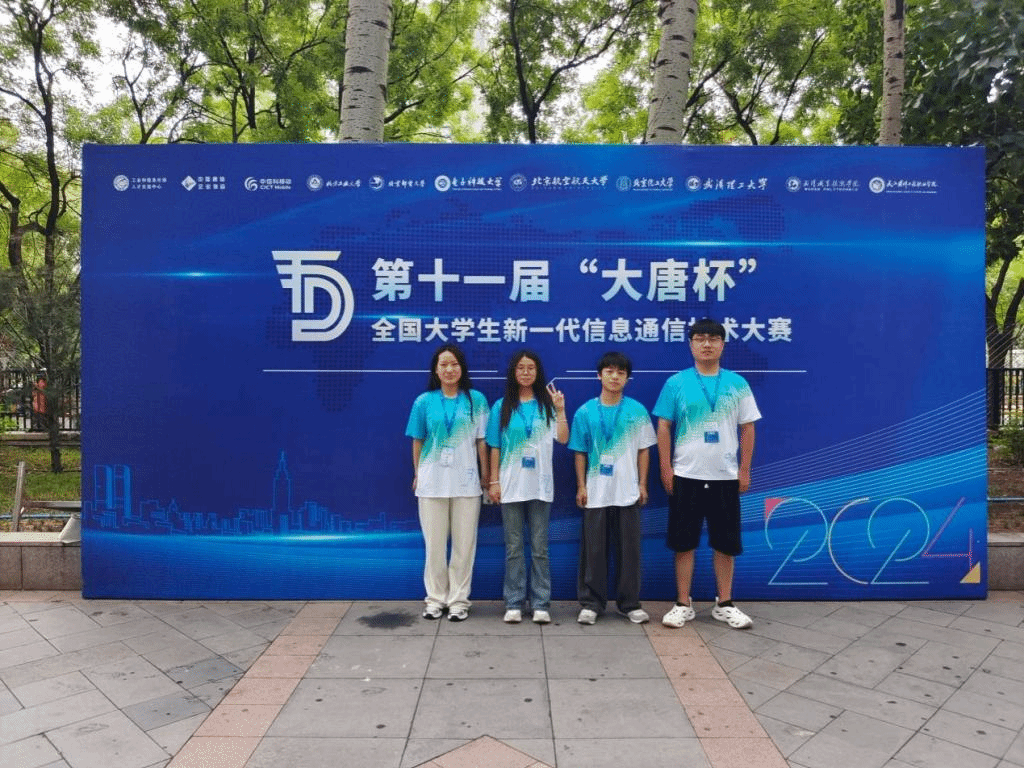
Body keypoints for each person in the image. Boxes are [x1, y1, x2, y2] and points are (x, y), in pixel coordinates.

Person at [653, 318, 762, 630]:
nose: (706, 344)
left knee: (726, 544)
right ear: (691, 345)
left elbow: (748, 428)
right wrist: (666, 468)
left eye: (713, 339)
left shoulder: (737, 384)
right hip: (686, 474)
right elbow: (663, 426)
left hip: (725, 476)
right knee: (683, 543)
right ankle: (682, 603)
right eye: (700, 338)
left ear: (723, 345)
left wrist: (744, 470)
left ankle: (724, 603)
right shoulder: (676, 383)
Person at [568, 351, 656, 625]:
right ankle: (591, 604)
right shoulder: (585, 412)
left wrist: (642, 484)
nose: (615, 376)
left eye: (620, 372)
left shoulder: (637, 411)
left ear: (627, 378)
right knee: (594, 551)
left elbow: (644, 450)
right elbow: (579, 452)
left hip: (627, 491)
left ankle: (629, 604)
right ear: (599, 375)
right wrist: (581, 486)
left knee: (629, 551)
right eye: (609, 371)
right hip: (596, 491)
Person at [406, 344, 489, 622]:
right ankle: (435, 599)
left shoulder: (476, 400)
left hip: (467, 482)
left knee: (464, 546)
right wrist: (418, 473)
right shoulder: (423, 402)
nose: (449, 369)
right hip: (432, 482)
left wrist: (486, 475)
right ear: (436, 370)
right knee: (435, 546)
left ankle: (458, 601)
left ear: (462, 368)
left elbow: (482, 442)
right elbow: (417, 441)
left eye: (454, 364)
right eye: (443, 365)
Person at [486, 350, 569, 625]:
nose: (525, 372)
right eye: (520, 368)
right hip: (511, 485)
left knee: (539, 548)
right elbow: (494, 446)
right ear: (513, 372)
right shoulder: (501, 406)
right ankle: (514, 602)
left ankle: (540, 603)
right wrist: (494, 482)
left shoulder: (547, 404)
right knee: (513, 548)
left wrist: (560, 410)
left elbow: (563, 438)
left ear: (537, 372)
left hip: (540, 486)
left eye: (530, 368)